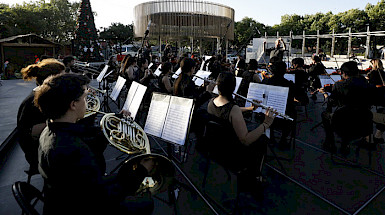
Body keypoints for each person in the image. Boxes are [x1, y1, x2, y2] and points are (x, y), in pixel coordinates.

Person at [34, 73, 154, 215]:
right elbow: (103, 198)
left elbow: (88, 139)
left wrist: (116, 122)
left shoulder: (51, 130)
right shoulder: (71, 149)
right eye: (84, 98)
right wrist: (141, 171)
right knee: (146, 202)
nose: (87, 102)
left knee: (123, 176)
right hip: (83, 206)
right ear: (73, 104)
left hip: (70, 196)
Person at [206, 72, 276, 200]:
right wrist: (266, 123)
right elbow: (245, 140)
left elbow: (228, 111)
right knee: (261, 141)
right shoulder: (233, 109)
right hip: (233, 155)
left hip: (216, 149)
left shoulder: (211, 102)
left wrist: (249, 109)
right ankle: (253, 177)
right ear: (233, 88)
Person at [17, 59, 66, 175]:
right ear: (52, 79)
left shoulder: (42, 94)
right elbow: (34, 132)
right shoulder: (35, 101)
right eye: (63, 77)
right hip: (37, 153)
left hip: (42, 147)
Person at [321, 61, 375, 154]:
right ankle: (345, 143)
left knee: (325, 114)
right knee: (350, 114)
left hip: (343, 123)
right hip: (364, 123)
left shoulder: (339, 85)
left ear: (344, 73)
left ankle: (330, 142)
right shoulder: (369, 85)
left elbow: (332, 103)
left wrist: (325, 94)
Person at [262, 61, 298, 149]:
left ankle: (271, 137)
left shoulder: (265, 81)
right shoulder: (289, 84)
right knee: (292, 112)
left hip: (266, 116)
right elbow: (305, 100)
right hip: (284, 119)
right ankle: (283, 139)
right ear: (285, 71)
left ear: (271, 71)